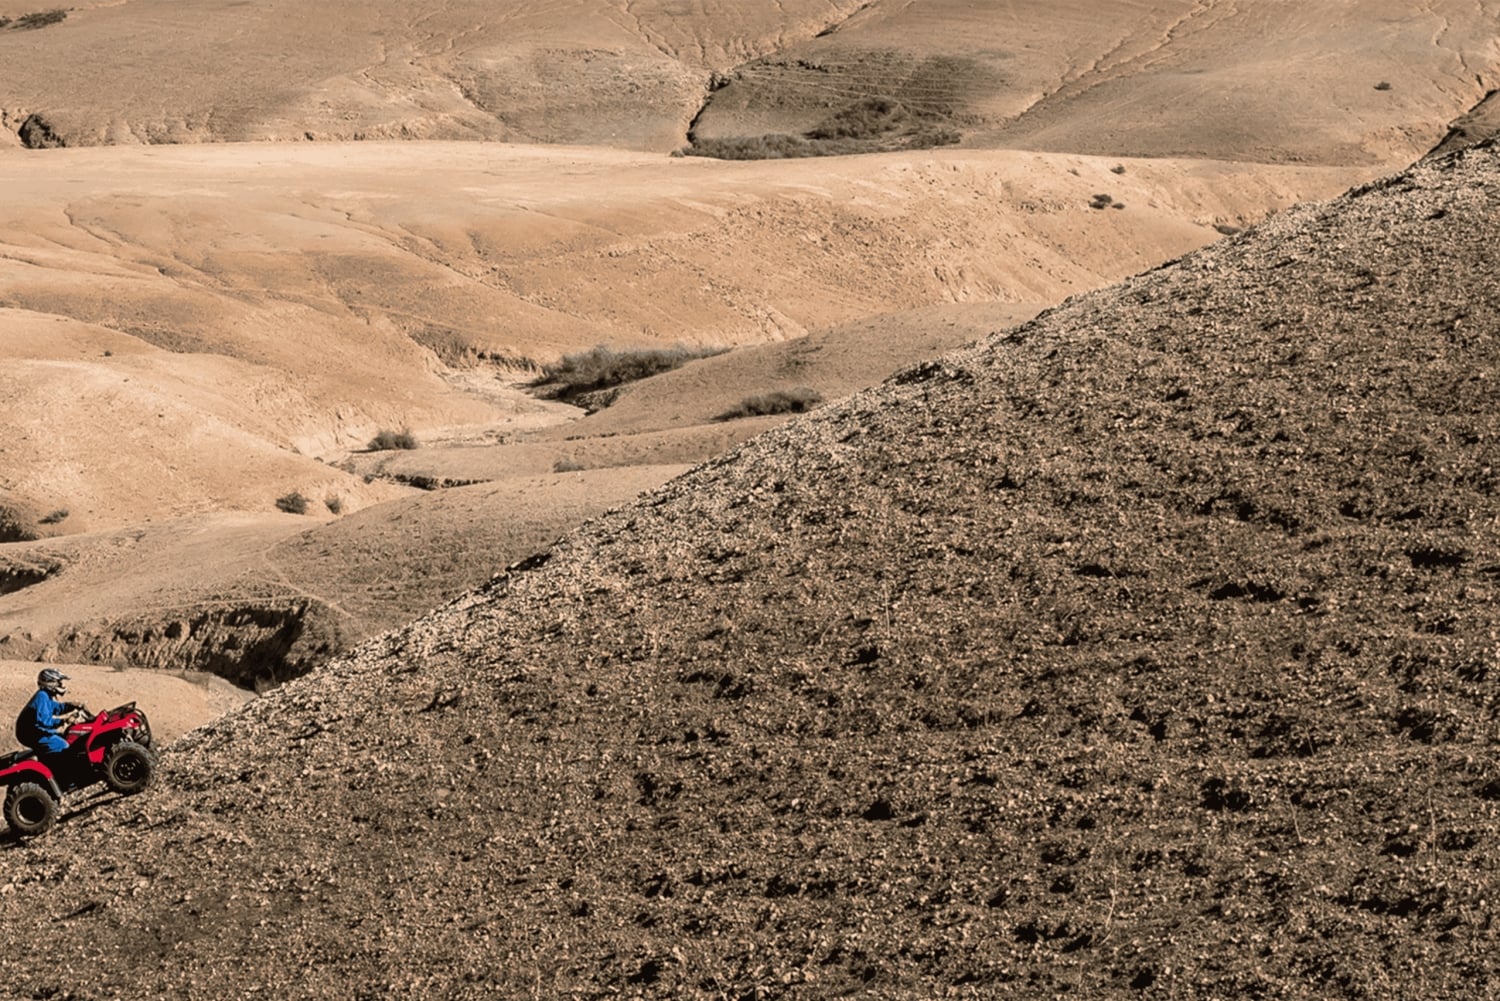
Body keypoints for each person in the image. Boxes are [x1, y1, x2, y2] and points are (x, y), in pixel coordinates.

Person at [15, 668, 85, 757]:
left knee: (65, 736)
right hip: (31, 734)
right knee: (64, 745)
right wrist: (64, 721)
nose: (61, 685)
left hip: (35, 731)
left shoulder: (45, 695)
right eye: (59, 682)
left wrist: (71, 705)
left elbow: (56, 708)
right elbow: (44, 721)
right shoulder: (42, 696)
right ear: (50, 683)